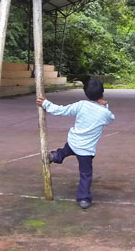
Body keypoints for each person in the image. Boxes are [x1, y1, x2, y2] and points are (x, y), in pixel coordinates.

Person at [37, 78, 114, 210]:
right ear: (102, 92)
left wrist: (46, 104)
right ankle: (83, 198)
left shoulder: (81, 105)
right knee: (85, 174)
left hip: (73, 142)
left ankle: (56, 156)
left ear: (86, 93)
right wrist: (104, 105)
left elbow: (60, 110)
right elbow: (110, 119)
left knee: (66, 150)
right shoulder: (104, 113)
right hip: (86, 150)